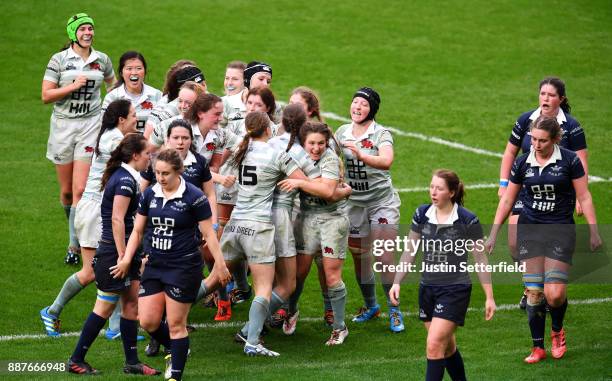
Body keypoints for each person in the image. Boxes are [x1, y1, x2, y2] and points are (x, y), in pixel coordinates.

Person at [486, 116, 601, 364]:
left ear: (555, 139)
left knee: (555, 294)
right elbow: (507, 200)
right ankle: (537, 347)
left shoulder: (569, 160)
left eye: (542, 140)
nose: (536, 144)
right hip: (531, 230)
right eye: (533, 139)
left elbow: (585, 196)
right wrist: (494, 233)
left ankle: (557, 331)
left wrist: (593, 230)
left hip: (560, 231)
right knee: (534, 293)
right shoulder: (522, 163)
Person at [121, 148, 230, 381]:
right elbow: (138, 230)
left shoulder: (194, 196)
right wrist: (127, 259)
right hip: (155, 265)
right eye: (157, 173)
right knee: (148, 321)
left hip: (183, 267)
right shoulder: (150, 194)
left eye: (166, 173)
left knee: (176, 324)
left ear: (178, 171)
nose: (160, 178)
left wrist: (220, 265)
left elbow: (209, 236)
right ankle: (176, 349)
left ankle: (175, 376)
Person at [220, 111, 321, 357]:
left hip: (236, 222)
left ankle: (168, 317)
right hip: (268, 223)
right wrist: (338, 190)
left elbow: (223, 174)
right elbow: (312, 185)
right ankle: (250, 335)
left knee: (214, 279)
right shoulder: (282, 153)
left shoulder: (242, 149)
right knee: (279, 285)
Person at [40, 100, 138, 337]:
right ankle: (51, 312)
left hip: (100, 208)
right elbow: (139, 161)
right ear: (121, 119)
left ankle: (115, 327)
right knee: (91, 272)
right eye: (133, 115)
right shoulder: (115, 140)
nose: (137, 118)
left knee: (116, 264)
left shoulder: (112, 135)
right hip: (94, 211)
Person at [389, 169, 496, 381]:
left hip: (455, 289)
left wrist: (489, 296)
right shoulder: (422, 214)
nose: (433, 192)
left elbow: (480, 260)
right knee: (447, 348)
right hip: (427, 288)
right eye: (431, 187)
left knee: (434, 345)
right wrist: (396, 282)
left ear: (452, 193)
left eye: (439, 188)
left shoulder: (467, 220)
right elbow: (409, 251)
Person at [66, 134, 158, 375]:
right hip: (114, 254)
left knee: (131, 305)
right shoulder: (125, 181)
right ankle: (76, 359)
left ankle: (132, 363)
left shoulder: (126, 176)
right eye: (147, 153)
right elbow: (117, 219)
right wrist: (122, 256)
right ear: (135, 155)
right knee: (104, 308)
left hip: (127, 251)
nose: (150, 157)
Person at [498, 77, 588, 309]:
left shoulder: (571, 126)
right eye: (542, 94)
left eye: (550, 95)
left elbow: (581, 162)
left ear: (561, 99)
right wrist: (504, 182)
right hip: (525, 187)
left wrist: (580, 196)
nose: (545, 98)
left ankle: (545, 288)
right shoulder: (525, 120)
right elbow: (510, 152)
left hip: (557, 194)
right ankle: (531, 285)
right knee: (513, 242)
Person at [42, 13, 115, 265]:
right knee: (65, 193)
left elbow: (112, 86)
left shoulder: (101, 59)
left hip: (90, 126)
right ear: (73, 33)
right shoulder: (59, 60)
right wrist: (72, 87)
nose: (88, 33)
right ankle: (73, 231)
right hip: (63, 127)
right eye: (83, 29)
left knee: (81, 189)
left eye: (90, 29)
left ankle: (75, 244)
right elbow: (46, 95)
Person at [335, 87, 404, 332]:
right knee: (361, 258)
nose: (357, 107)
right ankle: (371, 306)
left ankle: (394, 310)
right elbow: (333, 161)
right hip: (353, 203)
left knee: (384, 257)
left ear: (371, 109)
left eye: (363, 104)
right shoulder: (342, 132)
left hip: (381, 202)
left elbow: (386, 161)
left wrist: (360, 154)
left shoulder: (381, 133)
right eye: (354, 102)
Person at [277, 121, 352, 345]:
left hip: (332, 220)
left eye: (321, 143)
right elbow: (328, 188)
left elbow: (329, 192)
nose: (316, 148)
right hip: (306, 218)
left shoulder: (330, 158)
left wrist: (299, 182)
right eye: (312, 143)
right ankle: (292, 310)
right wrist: (318, 184)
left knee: (331, 276)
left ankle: (340, 327)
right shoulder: (296, 155)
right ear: (303, 142)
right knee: (298, 273)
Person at [102, 51, 163, 133]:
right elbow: (105, 128)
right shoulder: (112, 98)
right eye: (129, 68)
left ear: (144, 71)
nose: (134, 73)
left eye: (139, 68)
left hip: (150, 145)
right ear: (121, 73)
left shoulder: (157, 95)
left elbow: (164, 126)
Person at [144, 63, 205, 139]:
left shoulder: (203, 97)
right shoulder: (173, 107)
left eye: (203, 84)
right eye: (197, 87)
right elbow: (148, 135)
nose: (203, 90)